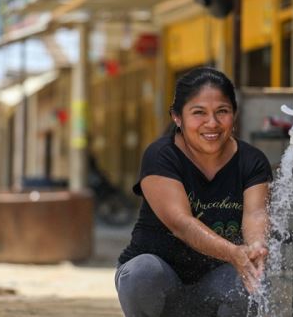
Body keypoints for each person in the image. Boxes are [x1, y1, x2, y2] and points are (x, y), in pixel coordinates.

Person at [115, 67, 272, 317]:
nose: (212, 123)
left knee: (249, 279)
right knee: (142, 273)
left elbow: (255, 214)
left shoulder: (252, 161)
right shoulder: (161, 156)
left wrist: (255, 247)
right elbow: (182, 224)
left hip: (215, 281)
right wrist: (233, 252)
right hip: (161, 282)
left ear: (234, 114)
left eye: (222, 111)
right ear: (177, 117)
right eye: (199, 113)